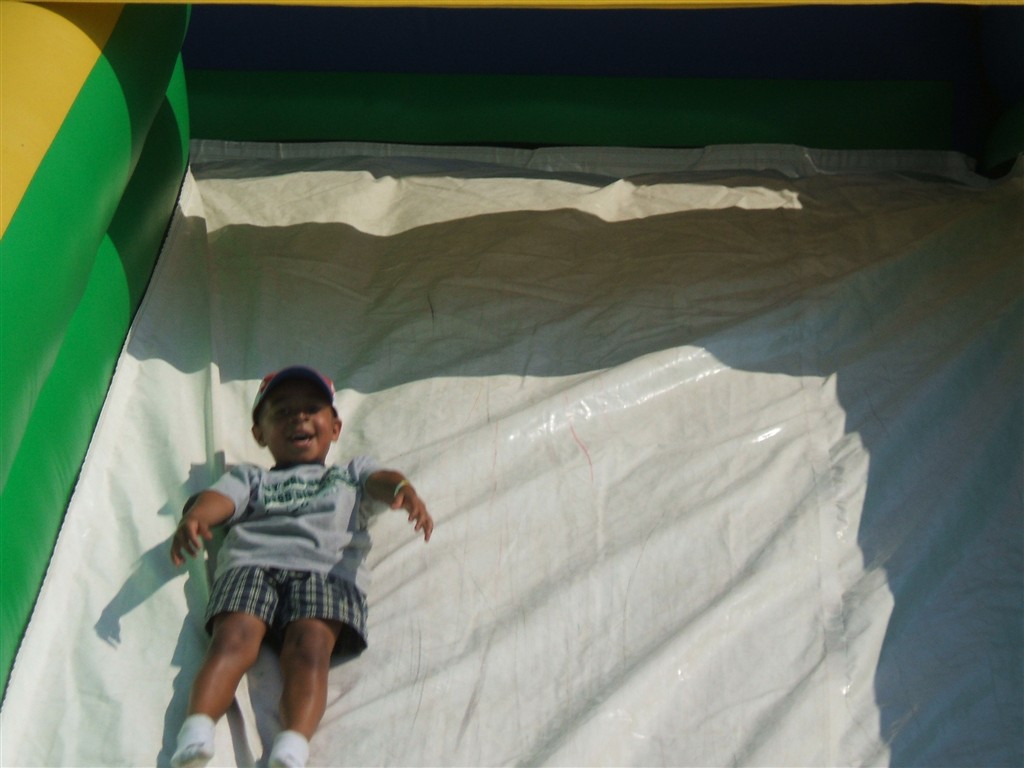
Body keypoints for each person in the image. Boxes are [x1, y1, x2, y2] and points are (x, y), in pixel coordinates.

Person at [169, 366, 433, 768]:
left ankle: (292, 746)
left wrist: (402, 491)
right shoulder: (251, 478)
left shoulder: (350, 473)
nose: (299, 418)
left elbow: (382, 478)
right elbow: (217, 500)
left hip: (325, 574)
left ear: (335, 427)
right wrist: (197, 518)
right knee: (232, 640)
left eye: (312, 408)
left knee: (309, 650)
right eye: (282, 411)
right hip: (252, 567)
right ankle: (197, 730)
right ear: (259, 433)